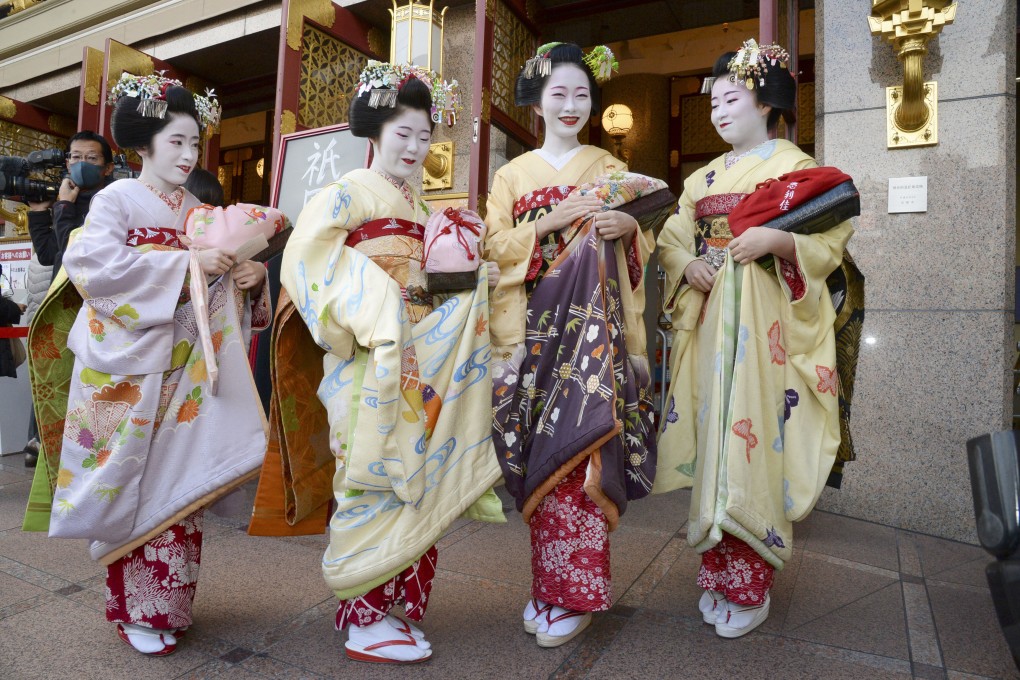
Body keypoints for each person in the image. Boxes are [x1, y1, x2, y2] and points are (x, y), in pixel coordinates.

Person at [22, 75, 271, 656]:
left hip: (186, 366)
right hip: (128, 368)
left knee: (177, 484)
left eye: (193, 144)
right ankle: (136, 607)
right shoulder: (113, 200)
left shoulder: (198, 209)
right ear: (144, 146)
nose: (188, 156)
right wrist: (187, 264)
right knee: (128, 480)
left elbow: (215, 284)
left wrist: (247, 279)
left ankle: (169, 605)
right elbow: (95, 271)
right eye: (176, 143)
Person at [266, 61, 503, 664]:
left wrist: (472, 280)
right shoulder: (344, 193)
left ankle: (390, 606)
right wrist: (373, 306)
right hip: (368, 359)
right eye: (404, 133)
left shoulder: (420, 205)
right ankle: (363, 617)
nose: (416, 148)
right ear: (375, 131)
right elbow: (307, 261)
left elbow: (433, 282)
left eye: (426, 137)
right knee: (370, 478)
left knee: (414, 480)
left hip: (417, 363)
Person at [654, 39, 855, 638]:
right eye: (712, 101)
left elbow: (830, 241)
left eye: (730, 98)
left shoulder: (796, 168)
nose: (717, 111)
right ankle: (716, 571)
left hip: (767, 325)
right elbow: (672, 238)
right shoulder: (702, 179)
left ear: (766, 102)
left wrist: (779, 242)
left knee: (757, 436)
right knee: (718, 433)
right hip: (717, 317)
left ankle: (751, 578)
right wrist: (687, 266)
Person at [484, 42, 658, 648]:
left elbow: (645, 244)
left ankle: (573, 594)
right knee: (541, 454)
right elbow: (490, 250)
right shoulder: (511, 175)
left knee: (583, 449)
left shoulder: (609, 170)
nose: (571, 105)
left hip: (591, 333)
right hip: (534, 333)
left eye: (582, 94)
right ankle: (547, 586)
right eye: (558, 92)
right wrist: (550, 224)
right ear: (536, 101)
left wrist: (629, 227)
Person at [23, 130, 116, 466]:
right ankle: (40, 441)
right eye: (75, 157)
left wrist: (63, 206)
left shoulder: (111, 202)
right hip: (60, 304)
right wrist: (38, 213)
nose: (81, 164)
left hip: (92, 304)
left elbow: (75, 250)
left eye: (91, 158)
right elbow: (51, 255)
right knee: (51, 372)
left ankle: (81, 446)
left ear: (107, 167)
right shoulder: (66, 197)